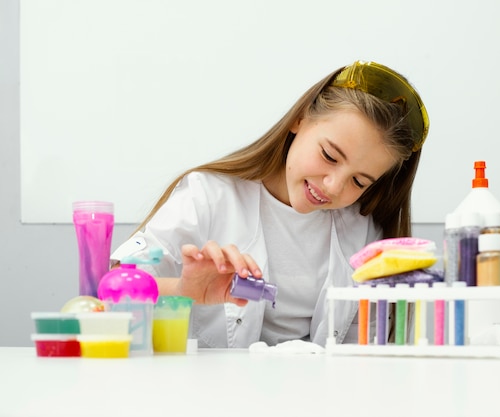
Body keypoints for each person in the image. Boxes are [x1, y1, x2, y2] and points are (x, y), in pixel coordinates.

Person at [111, 60, 430, 348]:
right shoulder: (206, 197)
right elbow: (109, 289)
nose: (333, 186)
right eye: (329, 156)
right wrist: (183, 289)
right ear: (300, 120)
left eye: (359, 182)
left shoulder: (365, 237)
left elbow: (365, 358)